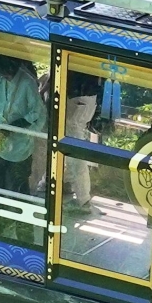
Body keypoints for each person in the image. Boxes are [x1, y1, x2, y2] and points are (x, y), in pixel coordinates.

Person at [0, 53, 43, 232]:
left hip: (19, 146)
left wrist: (15, 126)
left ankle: (23, 227)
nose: (3, 76)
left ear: (11, 67)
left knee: (19, 188)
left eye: (4, 73)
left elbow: (37, 114)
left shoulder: (27, 83)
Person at [62, 68, 100, 214]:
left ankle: (83, 200)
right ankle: (69, 185)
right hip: (87, 98)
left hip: (77, 97)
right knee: (75, 145)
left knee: (75, 153)